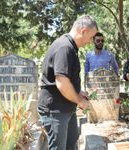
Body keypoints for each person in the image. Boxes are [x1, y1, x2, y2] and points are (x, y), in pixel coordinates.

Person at [37, 15, 98, 150]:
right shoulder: (64, 47)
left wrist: (79, 92)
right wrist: (80, 101)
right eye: (91, 37)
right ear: (83, 31)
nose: (90, 41)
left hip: (66, 108)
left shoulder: (70, 46)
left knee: (71, 144)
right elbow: (62, 83)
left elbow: (67, 78)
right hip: (55, 110)